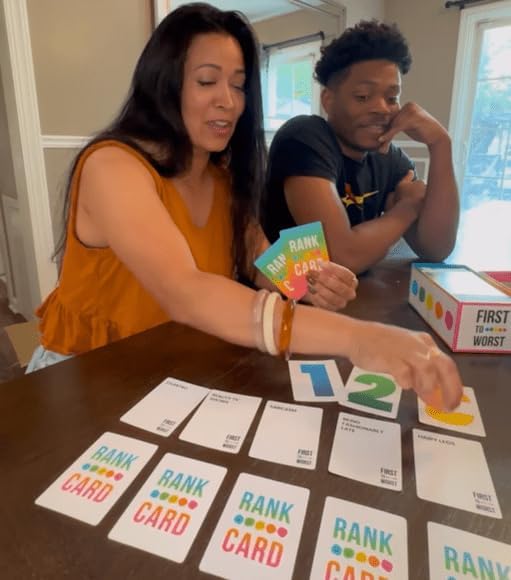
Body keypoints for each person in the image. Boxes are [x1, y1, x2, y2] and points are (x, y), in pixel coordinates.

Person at [27, 3, 462, 412]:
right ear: (164, 84)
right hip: (86, 374)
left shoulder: (221, 176)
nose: (229, 101)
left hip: (171, 367)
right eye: (207, 81)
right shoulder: (112, 165)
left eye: (238, 85)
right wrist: (358, 338)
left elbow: (263, 260)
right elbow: (186, 291)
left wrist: (313, 279)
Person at [262, 20, 460, 274]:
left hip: (346, 293)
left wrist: (441, 144)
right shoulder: (304, 138)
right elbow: (342, 257)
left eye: (392, 97)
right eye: (363, 96)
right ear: (328, 100)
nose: (382, 108)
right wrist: (409, 207)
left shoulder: (389, 158)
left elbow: (436, 249)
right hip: (279, 291)